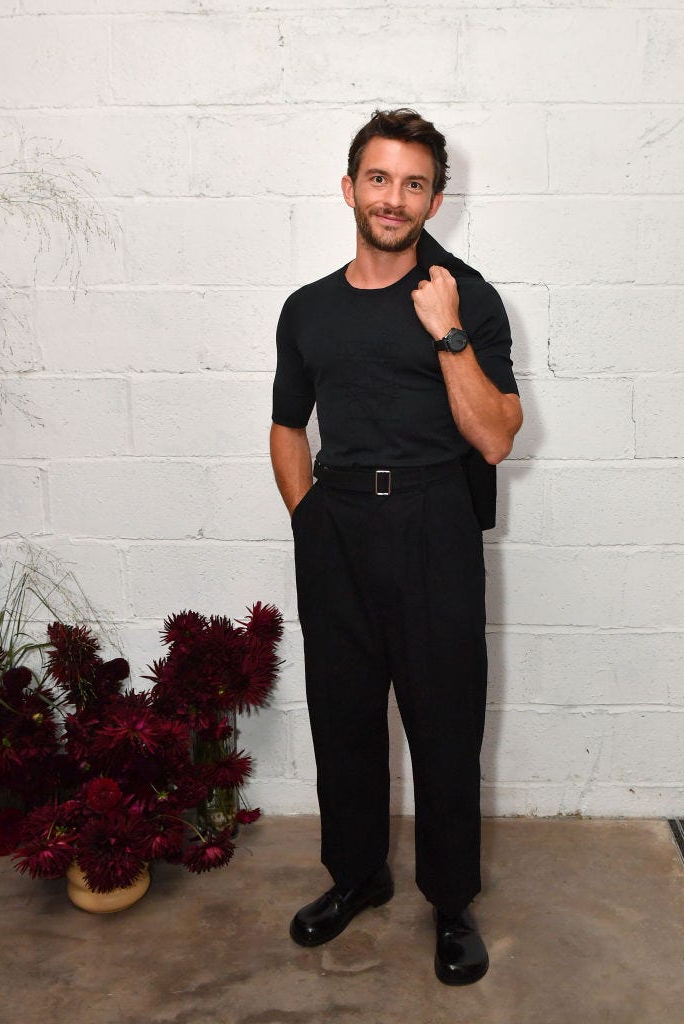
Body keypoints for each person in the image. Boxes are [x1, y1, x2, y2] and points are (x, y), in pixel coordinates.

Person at [270, 108, 522, 985]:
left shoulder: (468, 295)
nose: (393, 197)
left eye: (413, 183)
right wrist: (309, 519)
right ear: (349, 189)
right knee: (342, 720)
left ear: (435, 199)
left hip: (432, 525)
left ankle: (450, 904)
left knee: (445, 725)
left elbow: (494, 439)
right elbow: (285, 427)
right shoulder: (306, 309)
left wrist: (446, 331)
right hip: (336, 524)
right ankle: (357, 877)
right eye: (378, 178)